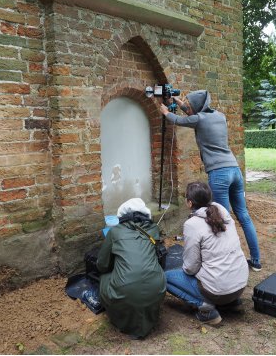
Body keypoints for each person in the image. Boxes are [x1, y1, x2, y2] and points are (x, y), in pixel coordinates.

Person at [159, 90, 262, 271]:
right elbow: (192, 113)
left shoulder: (198, 119)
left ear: (197, 107)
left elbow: (179, 119)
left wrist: (165, 111)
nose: (188, 108)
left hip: (219, 174)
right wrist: (178, 100)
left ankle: (230, 264)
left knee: (222, 220)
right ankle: (256, 261)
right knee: (243, 216)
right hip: (234, 170)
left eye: (190, 105)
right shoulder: (219, 116)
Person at [165, 182, 249, 325]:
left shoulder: (192, 224)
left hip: (218, 290)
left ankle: (206, 308)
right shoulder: (223, 212)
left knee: (165, 277)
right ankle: (232, 303)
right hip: (240, 285)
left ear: (189, 203)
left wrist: (184, 266)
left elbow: (191, 268)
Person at [97, 198, 166, 339]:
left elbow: (102, 265)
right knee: (143, 284)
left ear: (121, 216)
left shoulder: (115, 232)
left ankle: (123, 318)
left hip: (125, 291)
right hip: (156, 288)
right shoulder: (154, 229)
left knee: (104, 278)